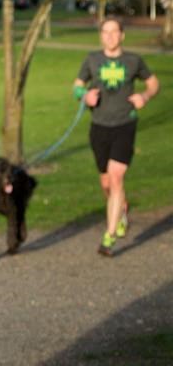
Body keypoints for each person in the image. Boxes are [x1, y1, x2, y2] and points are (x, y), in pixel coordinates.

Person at [73, 17, 159, 257]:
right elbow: (77, 86)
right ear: (101, 36)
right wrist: (84, 95)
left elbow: (153, 83)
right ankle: (120, 210)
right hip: (99, 127)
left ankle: (109, 237)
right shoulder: (92, 60)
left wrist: (145, 97)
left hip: (125, 125)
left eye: (114, 32)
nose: (110, 36)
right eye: (105, 32)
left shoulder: (134, 61)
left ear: (122, 35)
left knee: (117, 176)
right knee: (106, 183)